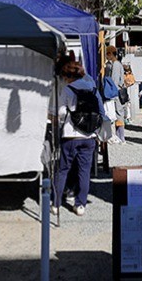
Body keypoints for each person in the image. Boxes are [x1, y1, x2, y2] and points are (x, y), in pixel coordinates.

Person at [53, 60, 103, 217]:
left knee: (63, 170)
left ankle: (56, 204)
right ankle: (80, 205)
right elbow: (101, 111)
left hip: (70, 135)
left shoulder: (68, 90)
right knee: (84, 171)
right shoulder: (93, 88)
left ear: (69, 76)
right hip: (89, 136)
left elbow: (61, 113)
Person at [105, 46, 127, 144]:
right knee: (119, 113)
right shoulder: (116, 64)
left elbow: (114, 81)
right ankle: (119, 135)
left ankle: (120, 136)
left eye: (107, 54)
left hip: (116, 92)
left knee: (118, 113)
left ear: (110, 54)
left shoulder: (116, 65)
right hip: (118, 91)